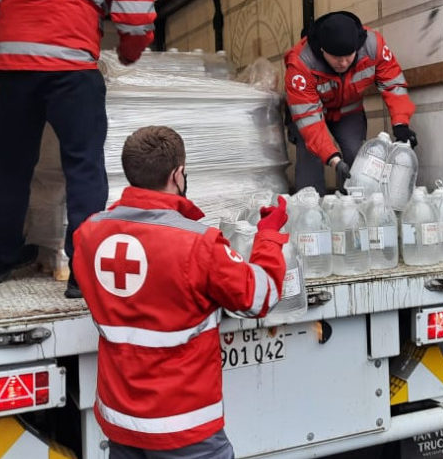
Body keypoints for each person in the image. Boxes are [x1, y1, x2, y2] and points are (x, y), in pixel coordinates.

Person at [72, 126, 287, 458]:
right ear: (177, 174)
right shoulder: (197, 243)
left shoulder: (88, 235)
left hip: (121, 421)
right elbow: (260, 297)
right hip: (185, 427)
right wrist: (269, 236)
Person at [0, 0, 156, 298]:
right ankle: (82, 273)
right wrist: (128, 55)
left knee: (11, 168)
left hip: (14, 69)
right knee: (83, 167)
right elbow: (135, 15)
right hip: (71, 70)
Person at [284, 11, 417, 193]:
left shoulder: (372, 46)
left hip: (348, 112)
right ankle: (312, 211)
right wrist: (333, 159)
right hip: (310, 117)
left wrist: (401, 123)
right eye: (337, 58)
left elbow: (393, 85)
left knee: (357, 158)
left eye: (349, 55)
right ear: (322, 50)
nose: (344, 63)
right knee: (311, 161)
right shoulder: (301, 63)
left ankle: (352, 210)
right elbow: (309, 120)